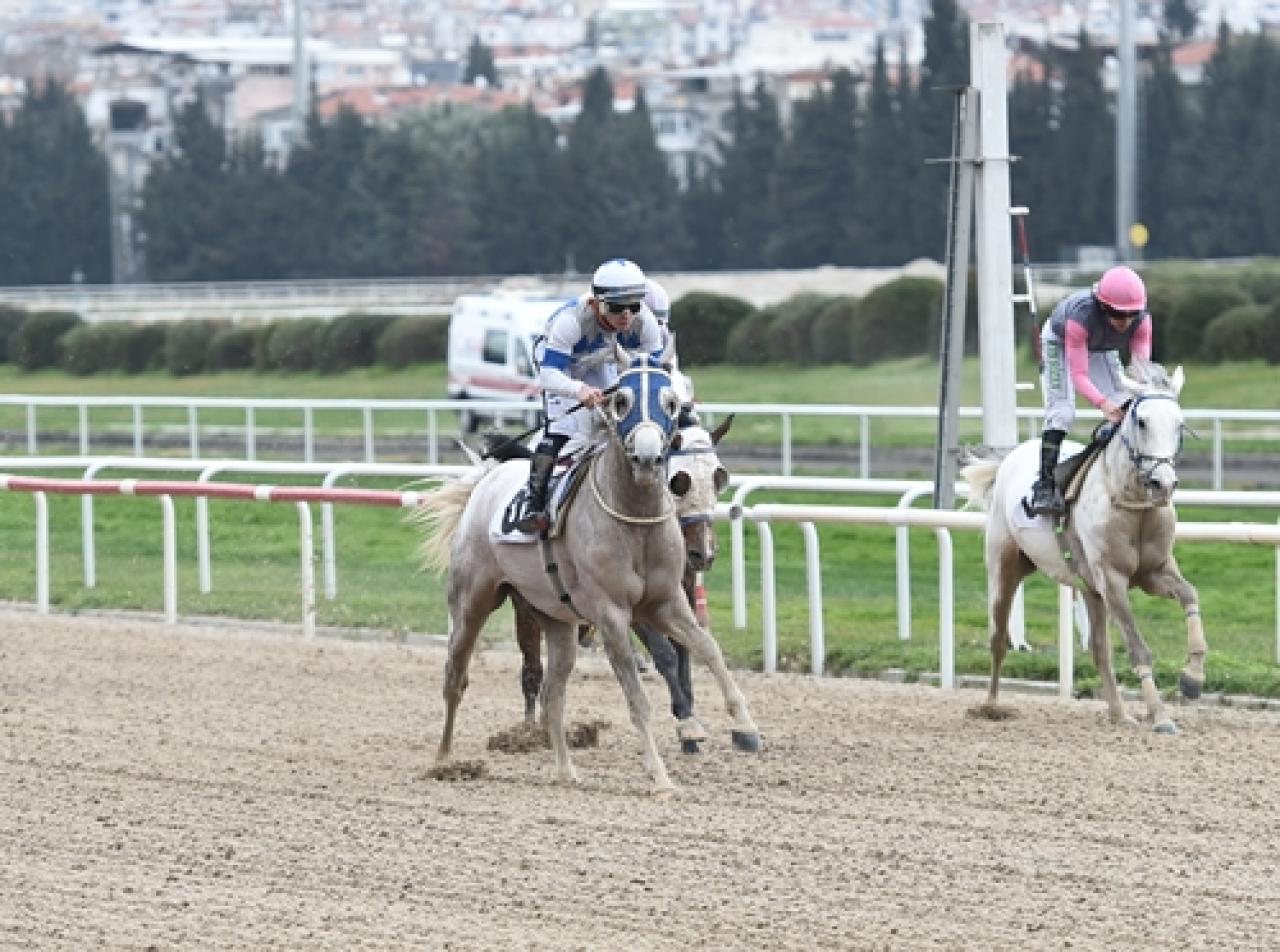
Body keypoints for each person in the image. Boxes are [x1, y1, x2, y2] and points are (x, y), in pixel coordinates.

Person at [513, 258, 665, 533]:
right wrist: (579, 390)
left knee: (617, 420)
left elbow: (652, 374)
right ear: (596, 303)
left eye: (634, 306)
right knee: (565, 428)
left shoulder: (646, 323)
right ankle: (533, 505)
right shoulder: (570, 321)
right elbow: (549, 376)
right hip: (561, 365)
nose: (627, 316)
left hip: (601, 358)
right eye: (617, 308)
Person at [1026, 265, 1152, 517]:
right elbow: (1079, 376)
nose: (1125, 322)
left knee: (1125, 404)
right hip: (1061, 343)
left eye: (1132, 314)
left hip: (1100, 348)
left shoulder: (1142, 321)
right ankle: (1045, 485)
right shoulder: (1081, 316)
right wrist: (1102, 404)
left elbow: (1140, 372)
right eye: (1118, 314)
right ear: (1103, 306)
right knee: (1063, 412)